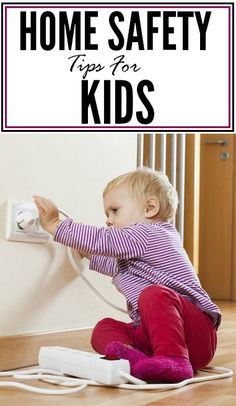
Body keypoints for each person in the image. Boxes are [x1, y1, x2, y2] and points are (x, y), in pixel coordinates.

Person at [33, 167, 221, 383]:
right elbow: (109, 261)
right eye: (106, 214)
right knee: (105, 327)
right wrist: (82, 249)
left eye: (114, 210)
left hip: (195, 335)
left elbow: (103, 241)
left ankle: (174, 362)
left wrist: (57, 226)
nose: (108, 220)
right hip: (158, 339)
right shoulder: (132, 253)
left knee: (154, 294)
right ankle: (134, 359)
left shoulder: (151, 233)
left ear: (149, 208)